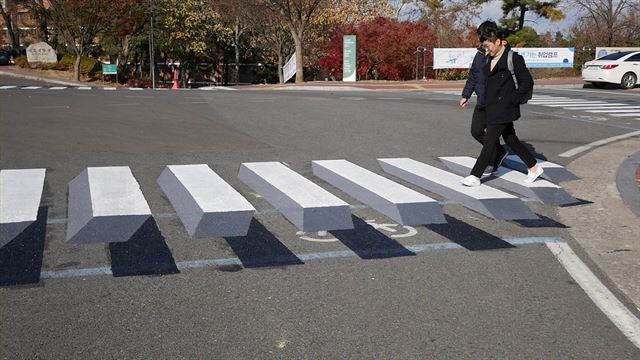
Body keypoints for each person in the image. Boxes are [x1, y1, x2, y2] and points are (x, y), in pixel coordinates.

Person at [461, 21, 543, 187]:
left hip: (503, 108)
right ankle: (534, 167)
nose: (486, 48)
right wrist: (467, 94)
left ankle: (475, 175)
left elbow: (527, 82)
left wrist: (512, 100)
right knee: (511, 139)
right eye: (483, 45)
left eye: (488, 45)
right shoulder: (486, 57)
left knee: (490, 141)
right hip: (488, 105)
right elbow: (475, 76)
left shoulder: (513, 58)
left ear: (497, 41)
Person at [459, 44, 507, 175]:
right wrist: (465, 95)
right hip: (481, 101)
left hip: (496, 103)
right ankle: (498, 150)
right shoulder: (479, 55)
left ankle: (491, 162)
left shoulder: (500, 54)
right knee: (476, 131)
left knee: (493, 135)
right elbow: (473, 76)